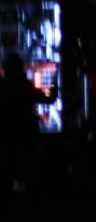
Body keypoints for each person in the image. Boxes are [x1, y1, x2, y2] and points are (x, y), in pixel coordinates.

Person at [0, 51, 58, 199]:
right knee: (29, 168)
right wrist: (54, 83)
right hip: (26, 135)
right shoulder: (26, 87)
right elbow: (49, 99)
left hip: (7, 137)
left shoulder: (3, 86)